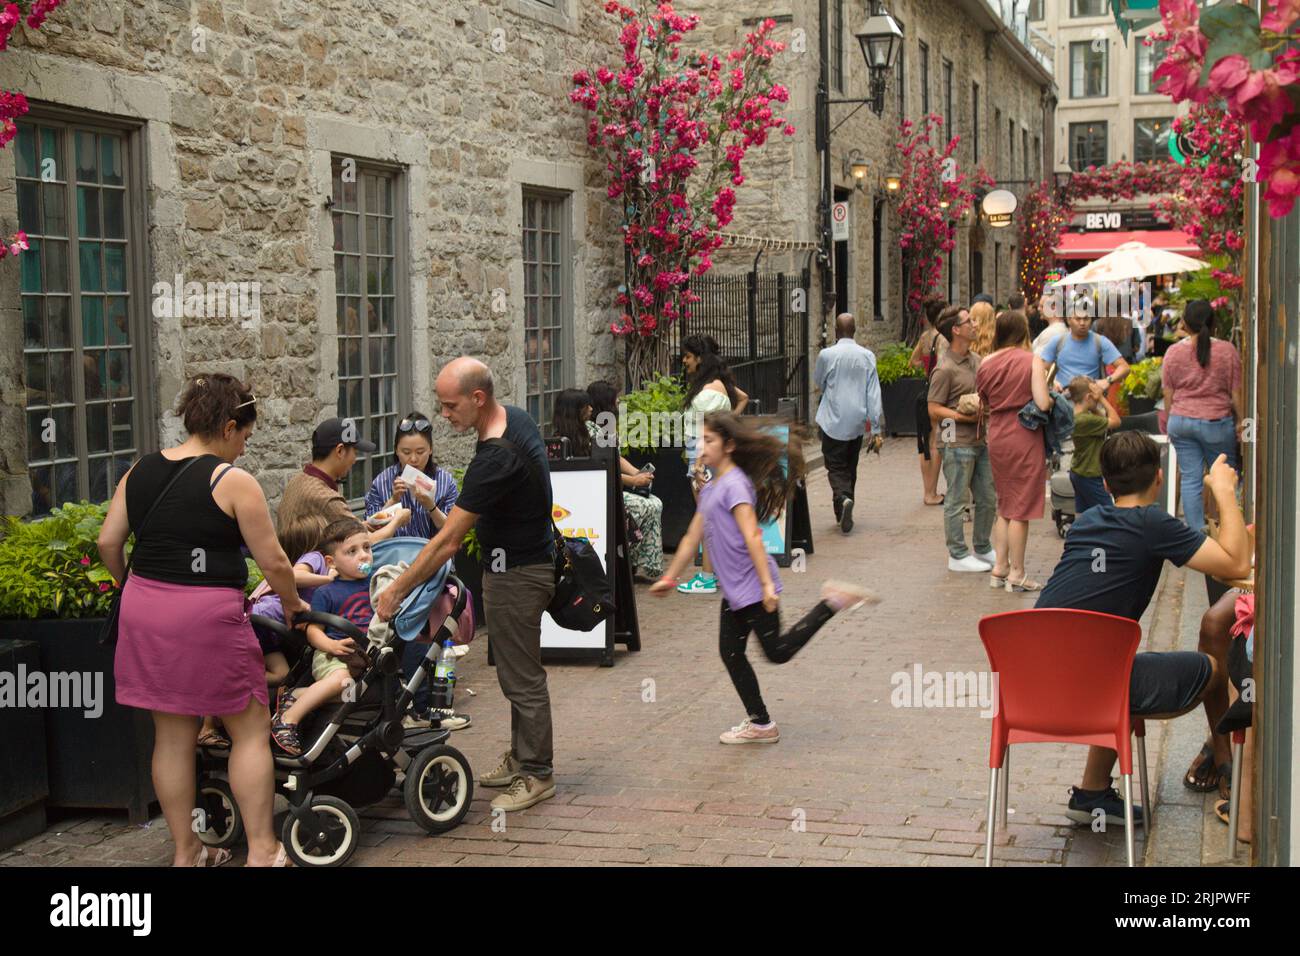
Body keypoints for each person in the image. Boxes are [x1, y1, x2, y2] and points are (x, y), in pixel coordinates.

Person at [97, 373, 306, 867]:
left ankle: (187, 854)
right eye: (245, 438)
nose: (243, 450)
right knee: (249, 728)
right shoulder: (231, 481)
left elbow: (108, 543)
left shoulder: (141, 470)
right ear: (229, 426)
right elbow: (274, 562)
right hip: (206, 612)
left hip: (144, 610)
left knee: (171, 735)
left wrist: (135, 586)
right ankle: (262, 849)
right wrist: (293, 604)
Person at [1035, 432, 1251, 826]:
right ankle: (1229, 771)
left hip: (1032, 687)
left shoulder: (1086, 523)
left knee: (1113, 665)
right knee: (1214, 671)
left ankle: (1092, 794)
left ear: (1104, 484)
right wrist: (1224, 491)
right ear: (1159, 478)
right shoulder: (1153, 524)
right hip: (1092, 687)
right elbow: (1237, 566)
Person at [373, 358, 558, 812]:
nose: (445, 415)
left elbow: (448, 539)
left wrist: (397, 590)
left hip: (519, 572)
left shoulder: (496, 455)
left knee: (522, 676)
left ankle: (536, 773)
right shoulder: (513, 417)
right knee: (516, 669)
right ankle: (521, 758)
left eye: (450, 406)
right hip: (518, 563)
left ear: (478, 399)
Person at [649, 411, 877, 743]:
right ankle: (761, 723)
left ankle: (831, 603)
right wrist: (669, 578)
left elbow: (753, 536)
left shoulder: (735, 485)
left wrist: (768, 585)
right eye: (701, 439)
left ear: (728, 445)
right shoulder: (712, 488)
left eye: (709, 440)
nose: (702, 445)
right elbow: (690, 538)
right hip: (736, 590)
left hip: (754, 586)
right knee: (731, 652)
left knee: (778, 651)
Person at [272, 518, 375, 756]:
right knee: (342, 681)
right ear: (331, 562)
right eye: (352, 551)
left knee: (353, 692)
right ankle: (288, 719)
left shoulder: (376, 583)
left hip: (364, 655)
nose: (363, 556)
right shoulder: (326, 592)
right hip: (332, 654)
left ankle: (296, 695)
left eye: (367, 548)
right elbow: (313, 630)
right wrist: (330, 644)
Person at [550, 386, 664, 580]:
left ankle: (630, 565)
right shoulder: (559, 442)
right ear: (577, 410)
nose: (591, 409)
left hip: (598, 493)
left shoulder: (589, 431)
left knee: (648, 506)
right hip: (584, 499)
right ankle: (622, 565)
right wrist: (634, 480)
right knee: (637, 509)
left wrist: (636, 475)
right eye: (586, 406)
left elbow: (612, 462)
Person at [976, 310, 1052, 591]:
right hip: (1024, 432)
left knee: (1005, 503)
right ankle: (1017, 573)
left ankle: (999, 567)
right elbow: (1042, 403)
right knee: (1021, 508)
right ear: (1022, 332)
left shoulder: (986, 362)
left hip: (997, 432)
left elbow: (983, 397)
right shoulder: (1031, 360)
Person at [1161, 299, 1244, 533]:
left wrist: (1171, 420)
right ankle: (1228, 529)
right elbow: (1236, 393)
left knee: (1190, 479)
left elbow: (1168, 393)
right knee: (1224, 477)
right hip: (1215, 422)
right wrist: (1243, 422)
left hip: (1181, 421)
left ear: (1185, 324)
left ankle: (1196, 535)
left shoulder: (1173, 352)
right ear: (1213, 322)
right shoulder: (1227, 351)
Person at [928, 307, 997, 573]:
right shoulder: (944, 369)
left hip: (980, 439)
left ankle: (982, 547)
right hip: (956, 442)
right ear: (956, 330)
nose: (974, 325)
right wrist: (961, 416)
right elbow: (933, 409)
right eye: (969, 321)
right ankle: (957, 554)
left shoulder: (977, 360)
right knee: (957, 500)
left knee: (988, 497)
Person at [678, 334, 748, 594]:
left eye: (687, 356)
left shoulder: (707, 393)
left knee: (707, 518)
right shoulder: (720, 384)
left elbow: (701, 432)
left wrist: (697, 465)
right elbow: (743, 397)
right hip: (713, 457)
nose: (684, 360)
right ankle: (717, 572)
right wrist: (728, 423)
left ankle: (707, 577)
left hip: (702, 459)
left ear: (699, 357)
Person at [278, 417, 410, 542]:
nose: (355, 460)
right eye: (355, 452)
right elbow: (366, 543)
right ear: (340, 451)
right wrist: (397, 520)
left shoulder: (298, 480)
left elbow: (341, 528)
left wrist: (368, 523)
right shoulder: (326, 498)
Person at [813, 312, 883, 534]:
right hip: (857, 420)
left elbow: (819, 381)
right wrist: (876, 427)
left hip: (833, 419)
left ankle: (843, 498)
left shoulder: (826, 355)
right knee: (851, 464)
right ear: (854, 331)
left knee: (835, 465)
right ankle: (845, 503)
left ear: (836, 331)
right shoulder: (867, 356)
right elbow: (873, 393)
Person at [365, 412, 460, 539]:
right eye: (406, 452)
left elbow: (453, 532)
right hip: (395, 554)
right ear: (396, 450)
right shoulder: (382, 482)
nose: (413, 459)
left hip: (435, 555)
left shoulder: (446, 482)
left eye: (420, 452)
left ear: (430, 449)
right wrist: (393, 500)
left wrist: (431, 506)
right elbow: (370, 531)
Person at [910, 297, 949, 506]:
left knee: (924, 444)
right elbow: (943, 365)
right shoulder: (943, 339)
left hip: (923, 392)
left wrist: (926, 367)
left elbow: (913, 361)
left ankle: (927, 490)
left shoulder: (925, 338)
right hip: (936, 394)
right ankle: (931, 493)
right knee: (935, 443)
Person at [1033, 310, 1131, 393]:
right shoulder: (1058, 341)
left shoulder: (1100, 341)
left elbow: (1124, 367)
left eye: (1086, 319)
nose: (1082, 323)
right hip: (1063, 398)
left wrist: (1107, 381)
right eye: (1078, 319)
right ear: (1069, 320)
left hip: (1090, 399)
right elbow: (1040, 368)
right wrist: (1052, 381)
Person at [1066, 376, 1121, 514]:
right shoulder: (1085, 420)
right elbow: (1116, 421)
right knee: (1110, 513)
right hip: (1089, 474)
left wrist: (1095, 405)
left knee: (1086, 513)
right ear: (1089, 396)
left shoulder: (1078, 416)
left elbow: (1102, 419)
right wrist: (1102, 398)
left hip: (1079, 471)